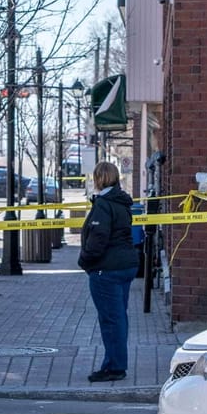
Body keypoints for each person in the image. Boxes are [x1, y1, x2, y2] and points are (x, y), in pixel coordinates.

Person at [78, 161, 139, 383]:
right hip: (126, 266)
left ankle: (114, 367)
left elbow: (98, 238)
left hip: (107, 269)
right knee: (119, 318)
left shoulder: (104, 204)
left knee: (111, 320)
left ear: (98, 178)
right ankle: (116, 363)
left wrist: (84, 260)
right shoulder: (121, 201)